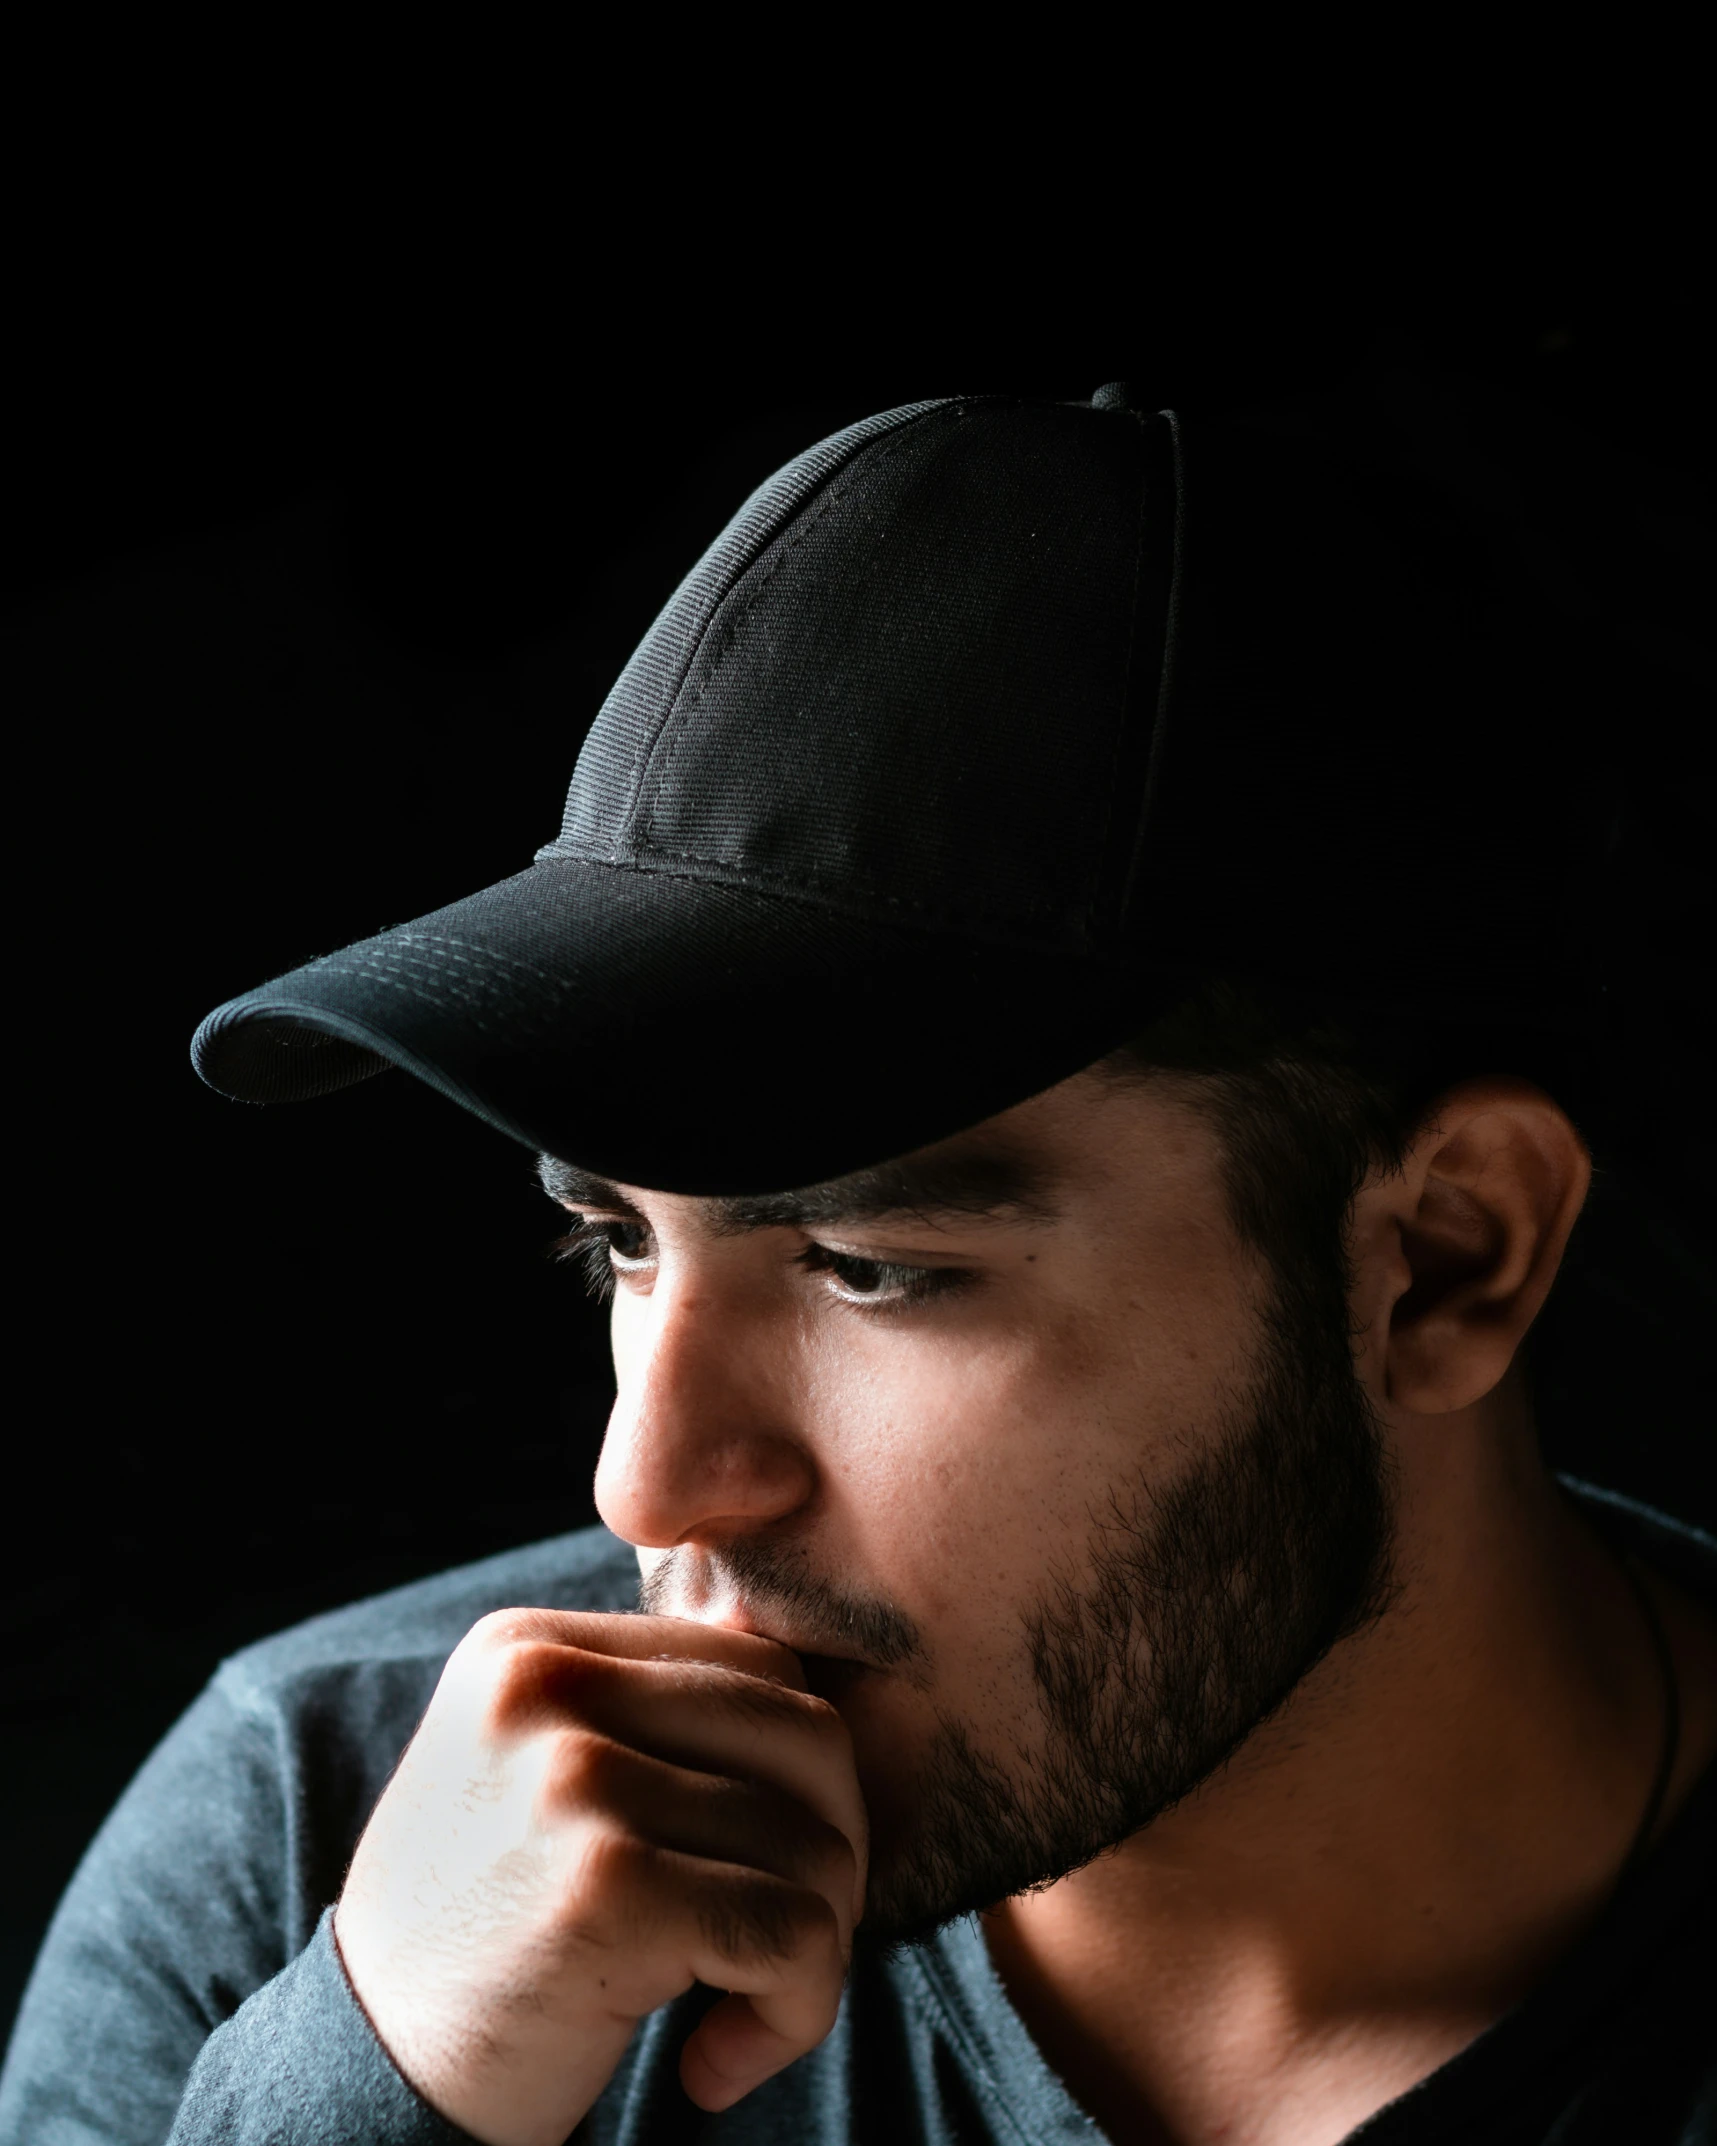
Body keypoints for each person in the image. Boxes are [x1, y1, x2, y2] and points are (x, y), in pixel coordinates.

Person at [3, 374, 1712, 2146]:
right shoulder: (317, 1864)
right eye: (618, 1240)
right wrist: (362, 2103)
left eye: (867, 1265)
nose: (647, 1484)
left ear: (1446, 1256)